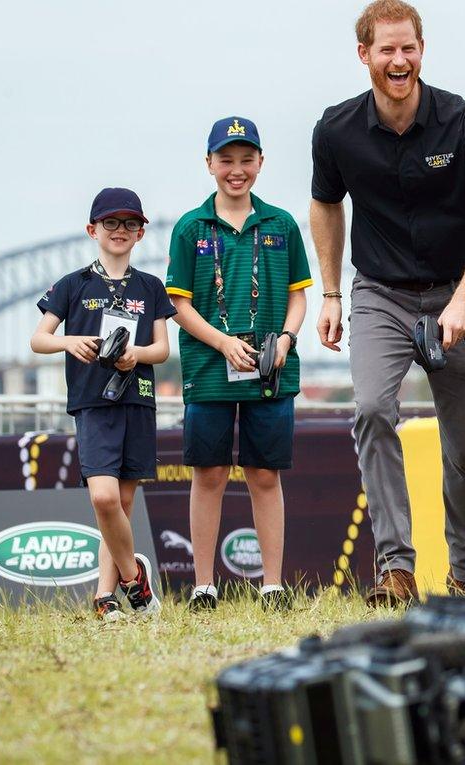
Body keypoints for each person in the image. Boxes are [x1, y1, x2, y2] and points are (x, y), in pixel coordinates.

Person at [310, 0, 465, 606]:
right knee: (373, 410)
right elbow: (325, 203)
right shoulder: (336, 129)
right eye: (386, 50)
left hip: (457, 294)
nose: (398, 61)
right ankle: (397, 571)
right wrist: (328, 291)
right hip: (379, 295)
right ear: (364, 55)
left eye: (409, 49)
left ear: (422, 50)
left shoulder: (464, 121)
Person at [165, 117, 313, 611]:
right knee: (208, 474)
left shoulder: (282, 224)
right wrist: (223, 342)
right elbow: (179, 306)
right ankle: (204, 585)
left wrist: (289, 338)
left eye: (246, 159)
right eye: (226, 160)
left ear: (260, 163)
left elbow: (298, 296)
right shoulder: (190, 227)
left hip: (271, 368)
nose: (236, 170)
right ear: (208, 164)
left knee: (264, 474)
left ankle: (272, 585)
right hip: (209, 371)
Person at [32, 188, 174, 621]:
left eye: (130, 223)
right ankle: (135, 579)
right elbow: (38, 339)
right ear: (92, 230)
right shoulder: (74, 284)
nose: (120, 231)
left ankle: (104, 595)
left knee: (123, 504)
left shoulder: (150, 286)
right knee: (104, 498)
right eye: (110, 223)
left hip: (137, 399)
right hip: (93, 402)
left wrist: (136, 355)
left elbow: (162, 349)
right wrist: (69, 341)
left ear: (141, 233)